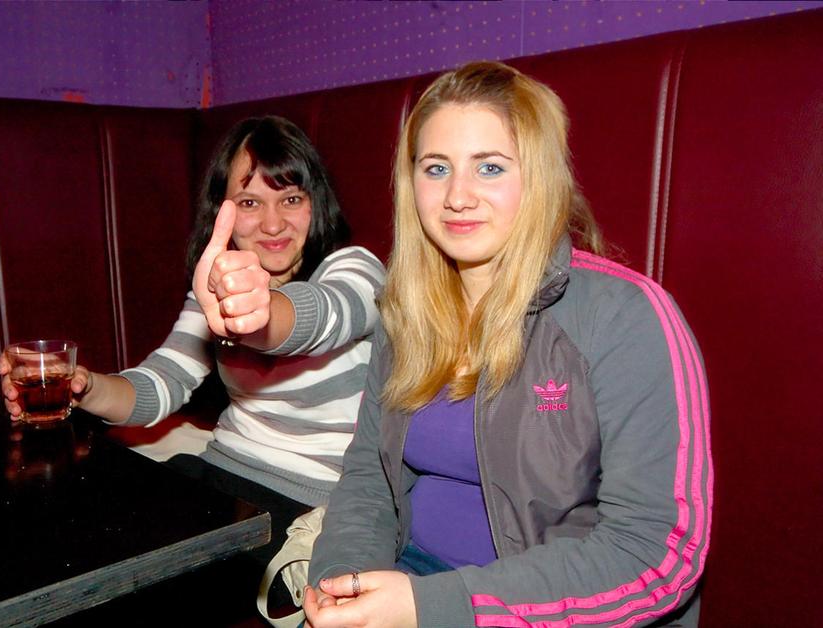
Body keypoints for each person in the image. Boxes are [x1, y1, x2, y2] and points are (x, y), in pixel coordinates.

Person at [304, 62, 711, 627]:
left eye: (490, 167)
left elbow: (655, 555)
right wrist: (343, 582)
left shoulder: (627, 316)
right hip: (411, 584)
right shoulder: (406, 310)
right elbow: (370, 477)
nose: (457, 196)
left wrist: (438, 608)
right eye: (436, 168)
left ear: (539, 178)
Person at [0, 116, 386, 511]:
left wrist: (258, 313)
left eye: (291, 199)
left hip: (313, 501)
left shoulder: (356, 268)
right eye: (250, 202)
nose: (273, 224)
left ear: (315, 202)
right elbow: (159, 385)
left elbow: (326, 316)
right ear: (221, 212)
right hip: (222, 473)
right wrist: (81, 386)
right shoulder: (215, 290)